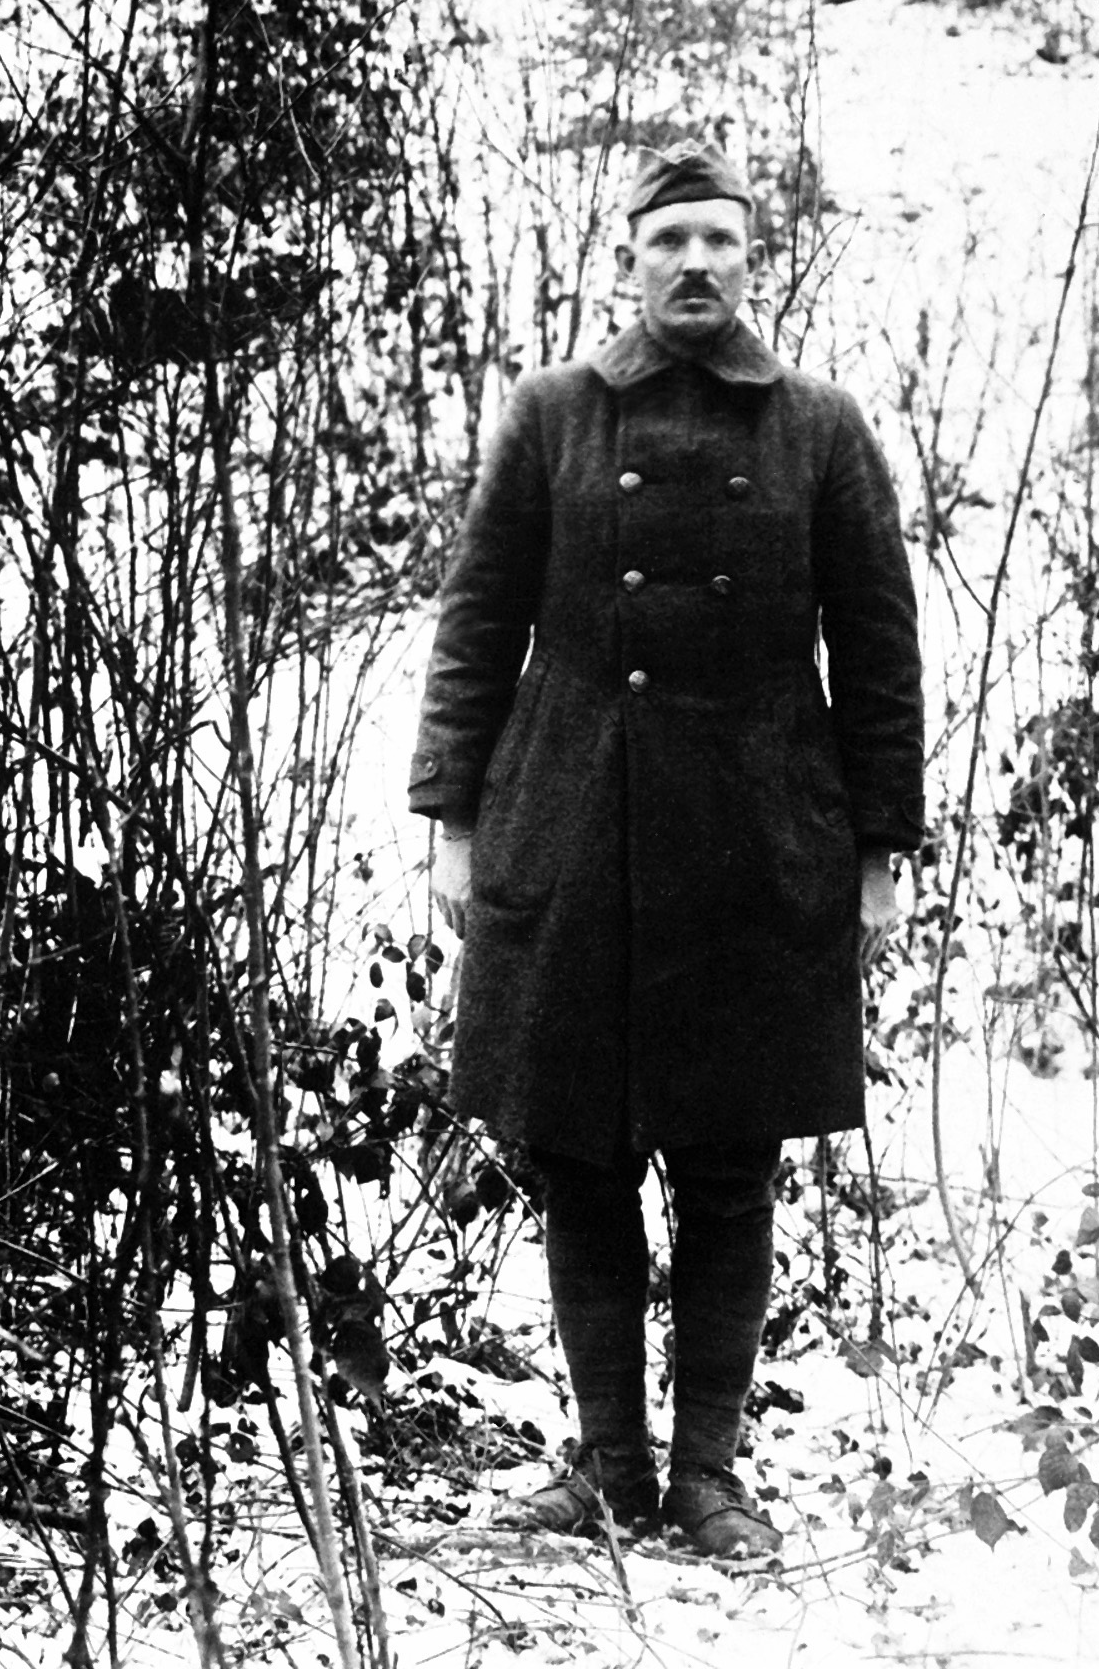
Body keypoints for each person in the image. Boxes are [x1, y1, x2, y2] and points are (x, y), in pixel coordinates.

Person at [408, 141, 923, 1559]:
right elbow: (473, 627)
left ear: (756, 264)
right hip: (570, 823)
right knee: (574, 1154)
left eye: (721, 243)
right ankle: (606, 1467)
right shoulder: (553, 415)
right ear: (624, 261)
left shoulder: (818, 428)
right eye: (668, 243)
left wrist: (880, 845)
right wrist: (451, 822)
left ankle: (706, 1476)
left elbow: (878, 648)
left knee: (726, 1163)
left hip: (758, 840)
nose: (694, 266)